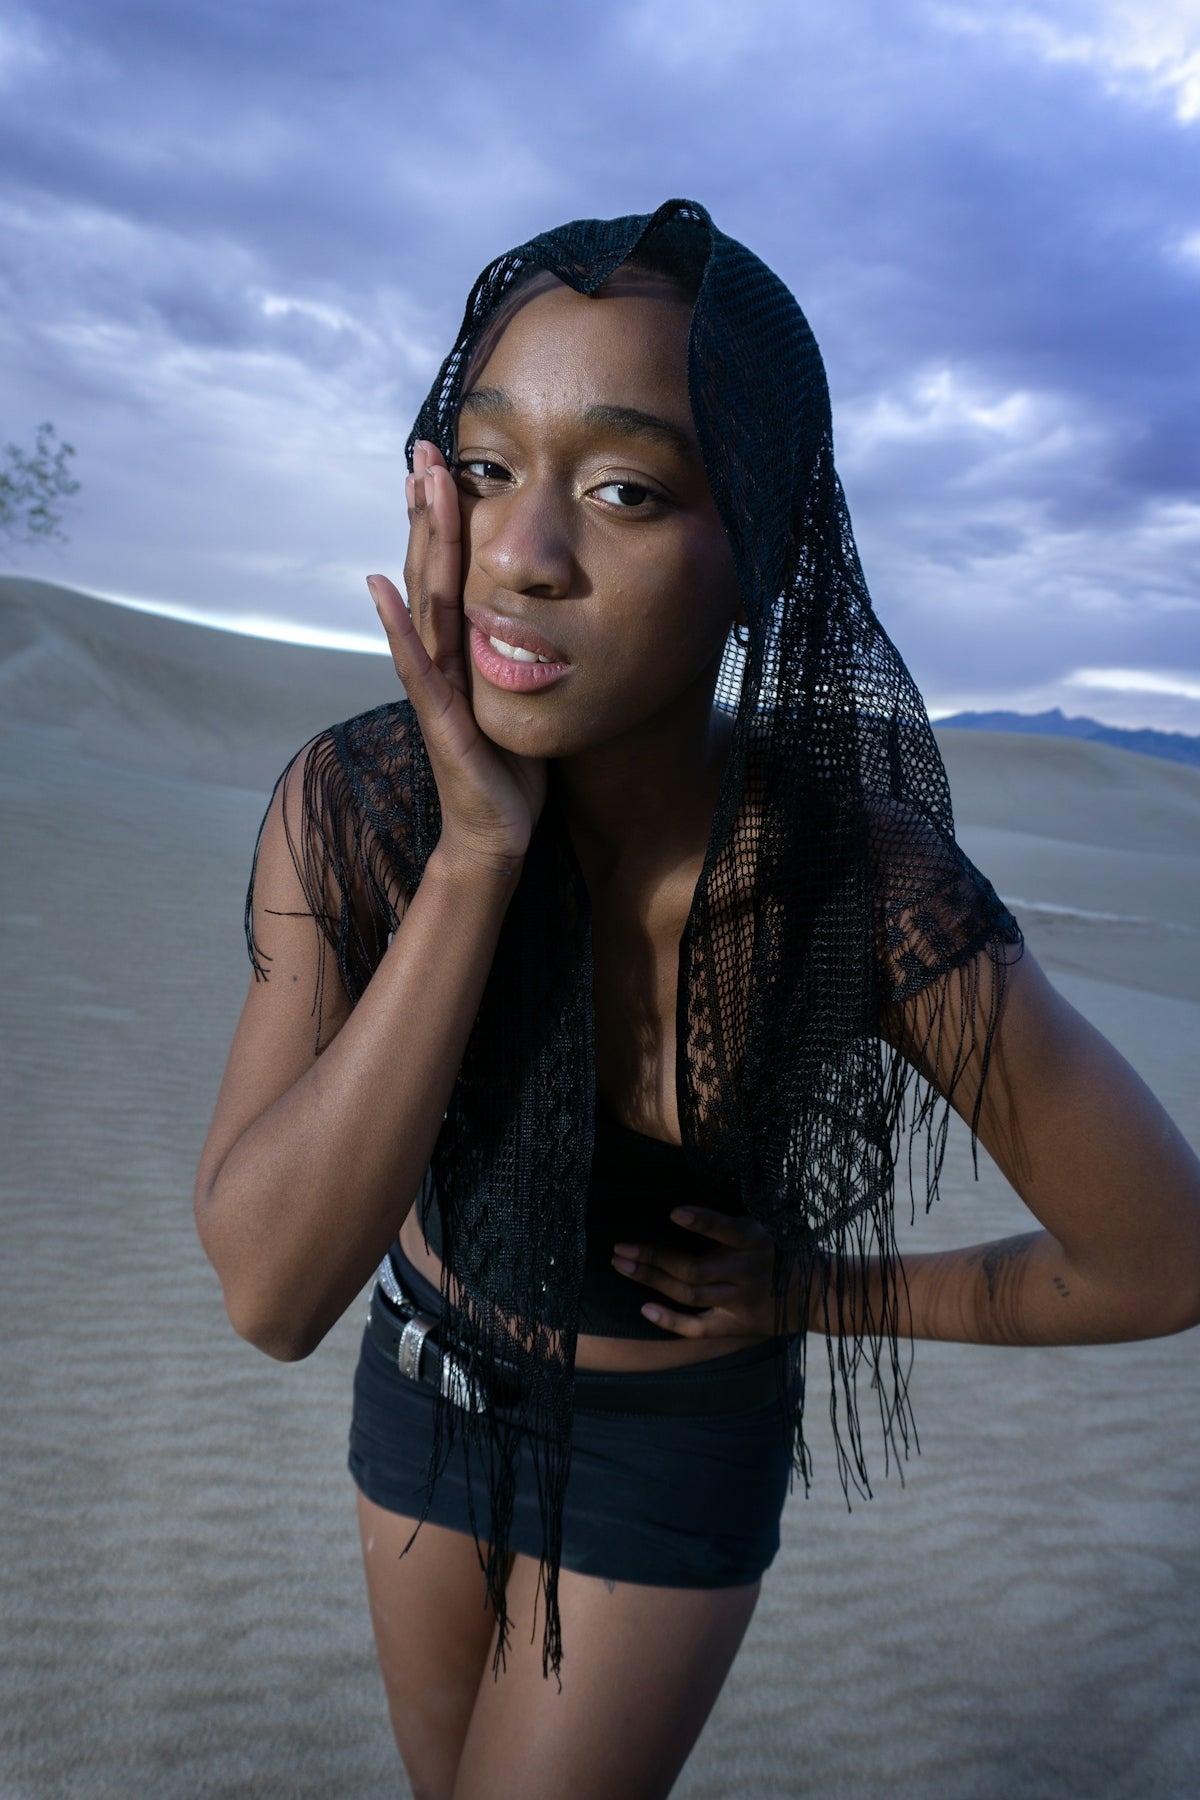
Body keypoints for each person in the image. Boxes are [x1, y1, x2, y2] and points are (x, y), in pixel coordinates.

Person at [194, 201, 1200, 1800]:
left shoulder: (857, 890)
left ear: (762, 553)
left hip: (665, 1452)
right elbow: (270, 1293)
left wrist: (818, 1294)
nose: (523, 556)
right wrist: (474, 857)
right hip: (422, 1374)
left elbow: (1157, 1259)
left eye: (624, 490)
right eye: (483, 466)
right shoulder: (362, 807)